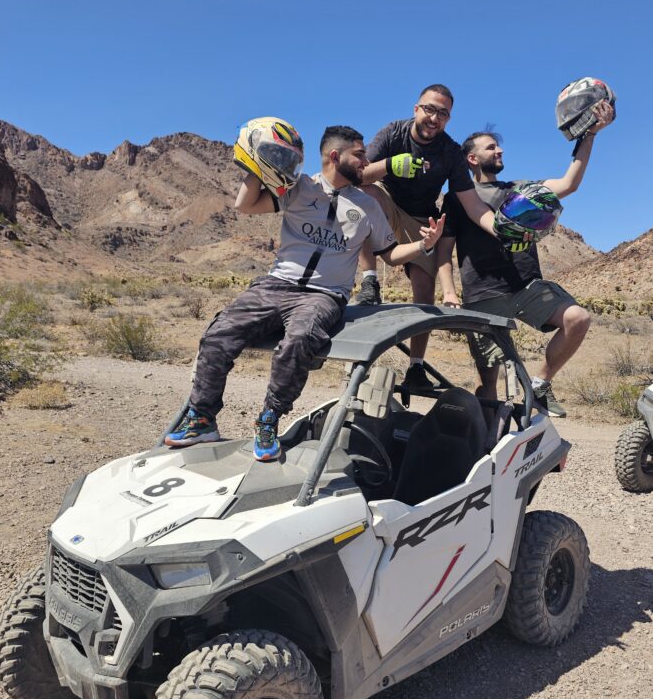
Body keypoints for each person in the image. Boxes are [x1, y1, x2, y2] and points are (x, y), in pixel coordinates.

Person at [166, 124, 446, 460]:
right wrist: (256, 163)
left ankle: (269, 419)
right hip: (276, 284)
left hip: (324, 295)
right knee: (217, 335)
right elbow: (246, 205)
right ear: (334, 156)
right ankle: (202, 418)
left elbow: (389, 253)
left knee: (300, 341)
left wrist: (423, 245)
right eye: (359, 156)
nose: (364, 163)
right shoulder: (298, 188)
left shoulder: (368, 204)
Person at [436, 100, 614, 416]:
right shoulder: (457, 199)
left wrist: (590, 136)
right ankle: (485, 440)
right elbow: (443, 251)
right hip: (482, 297)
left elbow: (569, 184)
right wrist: (449, 292)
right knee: (489, 380)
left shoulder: (521, 190)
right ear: (473, 158)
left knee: (578, 319)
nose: (500, 151)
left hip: (526, 288)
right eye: (492, 148)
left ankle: (541, 383)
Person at [354, 84, 498, 390]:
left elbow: (472, 204)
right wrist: (390, 165)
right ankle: (369, 280)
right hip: (385, 200)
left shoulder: (449, 151)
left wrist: (500, 228)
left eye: (443, 113)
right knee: (361, 195)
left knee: (424, 286)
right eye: (430, 109)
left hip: (420, 218)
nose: (435, 117)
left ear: (448, 119)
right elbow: (357, 175)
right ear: (417, 109)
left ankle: (416, 368)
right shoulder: (393, 133)